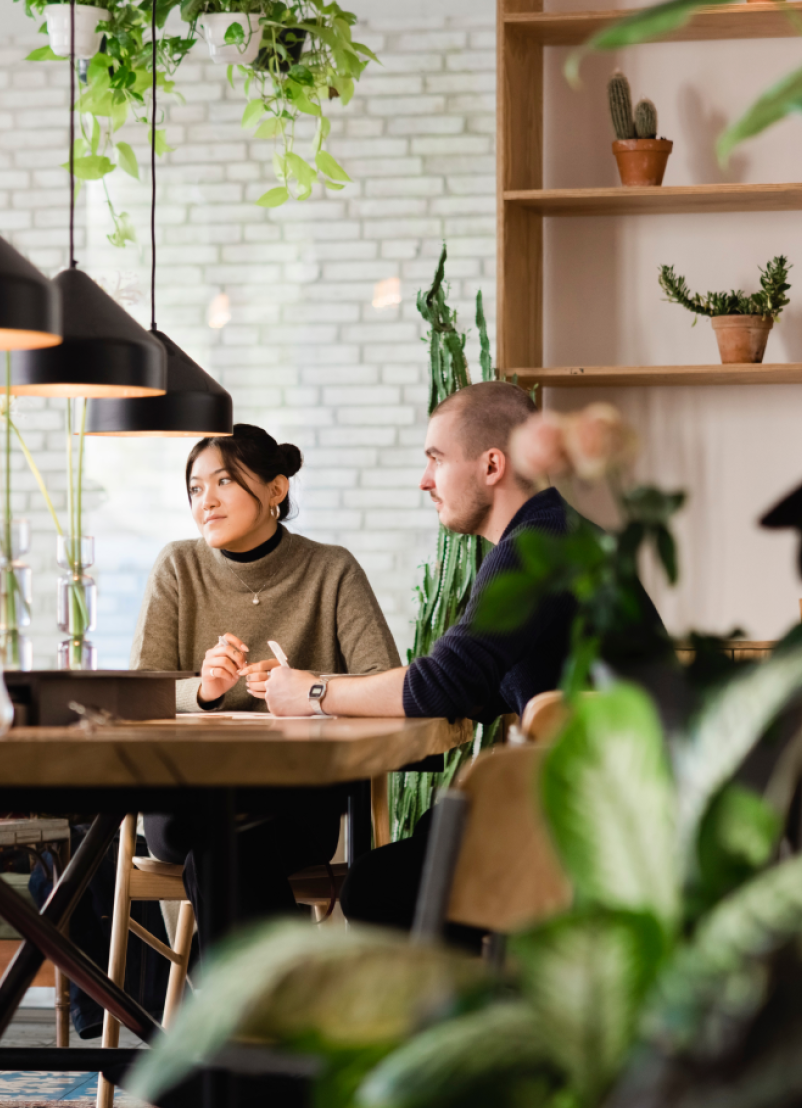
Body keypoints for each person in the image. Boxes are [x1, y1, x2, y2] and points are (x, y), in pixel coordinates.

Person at [263, 381, 660, 931]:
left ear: (492, 465)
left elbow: (445, 683)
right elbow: (471, 685)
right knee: (423, 843)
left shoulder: (533, 550)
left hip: (596, 837)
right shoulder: (558, 535)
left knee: (377, 885)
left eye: (436, 459)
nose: (424, 481)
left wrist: (312, 693)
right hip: (619, 820)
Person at [130, 422, 400, 943]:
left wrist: (308, 686)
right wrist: (203, 691)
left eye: (224, 482)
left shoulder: (331, 569)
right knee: (224, 848)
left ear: (277, 490)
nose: (205, 500)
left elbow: (382, 681)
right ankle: (268, 1010)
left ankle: (239, 1015)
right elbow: (141, 694)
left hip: (292, 799)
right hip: (187, 795)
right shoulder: (178, 566)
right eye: (195, 487)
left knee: (226, 853)